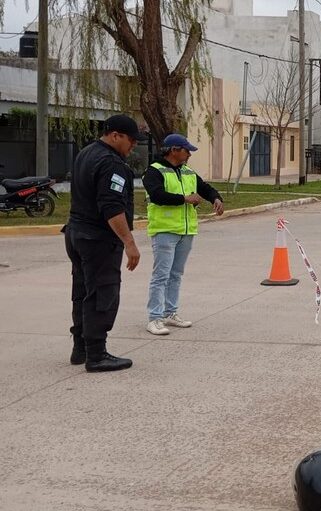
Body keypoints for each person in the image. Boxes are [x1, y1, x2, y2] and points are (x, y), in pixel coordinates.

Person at [63, 114, 145, 372]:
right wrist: (129, 243)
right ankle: (97, 354)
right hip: (98, 239)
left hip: (76, 233)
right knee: (102, 294)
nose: (133, 146)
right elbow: (111, 207)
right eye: (131, 140)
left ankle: (81, 348)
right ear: (115, 135)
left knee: (83, 292)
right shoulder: (111, 163)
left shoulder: (86, 153)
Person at [144, 134, 224, 336]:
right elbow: (157, 195)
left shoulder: (187, 171)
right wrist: (185, 199)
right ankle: (155, 318)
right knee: (161, 276)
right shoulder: (154, 171)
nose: (189, 154)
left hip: (186, 231)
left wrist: (216, 198)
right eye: (186, 150)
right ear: (174, 150)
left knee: (176, 275)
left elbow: (204, 188)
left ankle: (170, 312)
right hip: (165, 231)